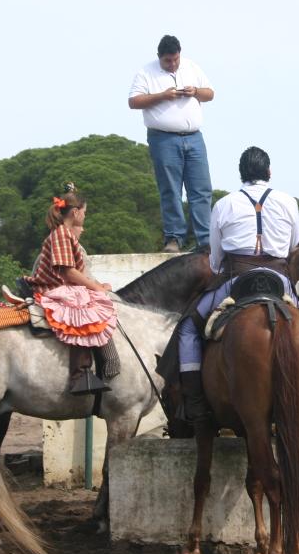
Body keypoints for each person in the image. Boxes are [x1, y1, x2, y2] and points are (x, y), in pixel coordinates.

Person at [176, 146, 299, 422]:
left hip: (236, 279)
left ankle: (195, 401)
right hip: (279, 279)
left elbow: (216, 259)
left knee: (187, 327)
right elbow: (293, 245)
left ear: (241, 174)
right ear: (269, 172)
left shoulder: (224, 204)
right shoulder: (288, 201)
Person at [23, 184, 118, 395]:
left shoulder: (64, 234)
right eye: (84, 213)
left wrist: (97, 287)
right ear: (75, 213)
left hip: (61, 286)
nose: (85, 217)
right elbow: (68, 272)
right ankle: (79, 374)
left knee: (90, 302)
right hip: (53, 287)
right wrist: (96, 288)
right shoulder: (61, 235)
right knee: (84, 310)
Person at [128, 34, 215, 253]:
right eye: (168, 60)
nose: (173, 64)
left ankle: (204, 239)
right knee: (170, 190)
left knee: (201, 189)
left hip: (194, 136)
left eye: (175, 59)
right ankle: (174, 238)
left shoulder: (191, 66)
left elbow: (210, 93)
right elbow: (134, 101)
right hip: (163, 137)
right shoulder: (146, 72)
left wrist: (194, 91)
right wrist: (163, 96)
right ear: (159, 57)